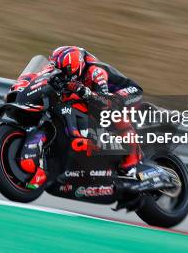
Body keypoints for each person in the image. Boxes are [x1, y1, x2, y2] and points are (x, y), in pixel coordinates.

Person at [20, 46, 165, 189]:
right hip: (97, 95)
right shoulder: (62, 69)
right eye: (59, 70)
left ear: (77, 66)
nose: (63, 74)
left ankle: (132, 160)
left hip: (127, 92)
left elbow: (104, 102)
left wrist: (84, 92)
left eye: (66, 71)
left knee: (112, 108)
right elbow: (44, 78)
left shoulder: (95, 72)